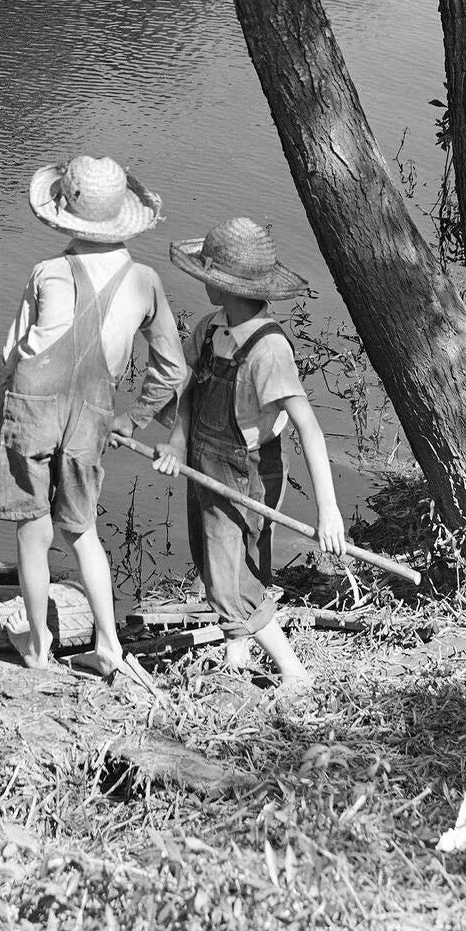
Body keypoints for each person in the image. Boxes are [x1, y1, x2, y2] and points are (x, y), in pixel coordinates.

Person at [0, 154, 187, 680]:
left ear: (63, 216)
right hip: (93, 415)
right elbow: (172, 369)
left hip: (33, 409)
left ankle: (38, 642)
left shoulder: (47, 272)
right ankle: (109, 645)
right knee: (81, 530)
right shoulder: (145, 281)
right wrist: (133, 418)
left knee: (32, 528)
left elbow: (14, 355)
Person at [152, 216, 346, 693]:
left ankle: (292, 670)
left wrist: (328, 511)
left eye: (209, 275)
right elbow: (187, 392)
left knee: (233, 576)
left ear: (230, 287)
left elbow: (309, 427)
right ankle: (236, 656)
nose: (201, 281)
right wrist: (176, 442)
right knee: (212, 558)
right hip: (204, 460)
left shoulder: (268, 350)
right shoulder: (211, 328)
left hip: (248, 470)